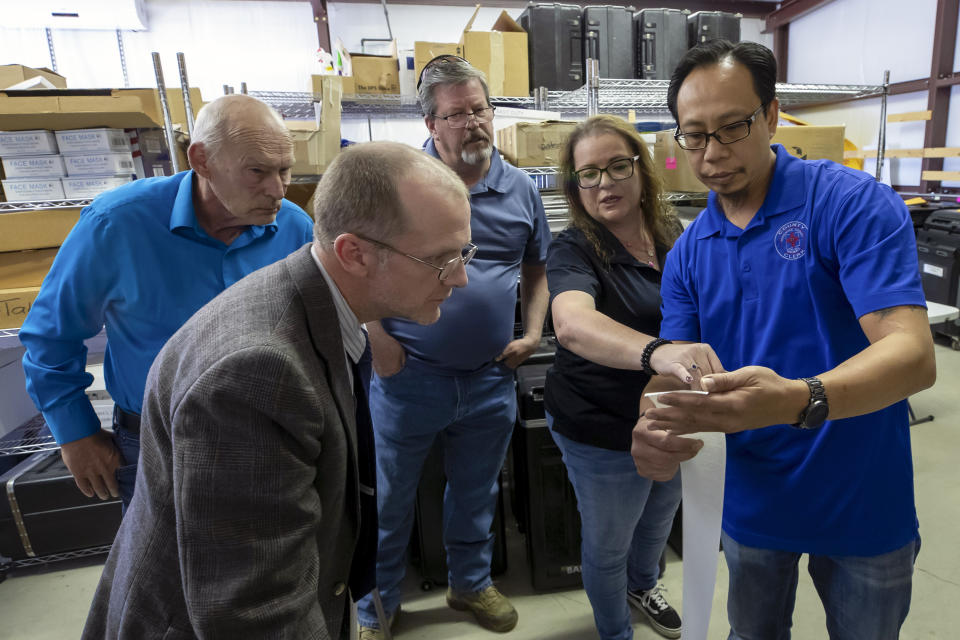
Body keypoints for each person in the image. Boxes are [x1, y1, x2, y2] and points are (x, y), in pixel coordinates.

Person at [81, 141, 474, 638]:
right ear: (354, 253)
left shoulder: (317, 306)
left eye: (462, 252)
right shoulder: (259, 375)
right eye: (441, 259)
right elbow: (256, 614)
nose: (460, 277)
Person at [632, 40, 936, 640]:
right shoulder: (690, 254)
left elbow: (913, 356)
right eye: (693, 135)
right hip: (752, 505)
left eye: (733, 127)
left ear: (771, 116)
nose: (712, 154)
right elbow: (676, 367)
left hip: (860, 499)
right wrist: (652, 419)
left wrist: (797, 399)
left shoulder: (848, 205)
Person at [19, 94, 315, 511]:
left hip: (267, 434)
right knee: (162, 571)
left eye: (285, 170)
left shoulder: (294, 229)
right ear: (202, 160)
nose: (277, 190)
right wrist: (76, 434)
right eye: (258, 172)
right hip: (158, 442)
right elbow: (51, 337)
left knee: (265, 562)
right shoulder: (117, 225)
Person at [356, 55, 551, 638]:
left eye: (480, 109)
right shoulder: (397, 185)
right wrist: (379, 339)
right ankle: (376, 607)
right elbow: (357, 268)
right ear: (431, 124)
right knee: (389, 502)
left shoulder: (519, 188)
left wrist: (534, 332)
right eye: (457, 114)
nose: (473, 123)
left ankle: (469, 585)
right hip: (406, 377)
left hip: (490, 377)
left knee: (476, 493)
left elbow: (538, 265)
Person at [546, 115, 721, 640]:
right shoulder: (574, 248)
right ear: (576, 186)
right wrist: (659, 353)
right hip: (599, 427)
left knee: (657, 521)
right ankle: (616, 631)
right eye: (589, 173)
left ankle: (643, 586)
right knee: (608, 544)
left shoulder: (674, 237)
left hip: (669, 416)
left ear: (641, 170)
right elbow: (571, 324)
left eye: (618, 166)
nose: (605, 183)